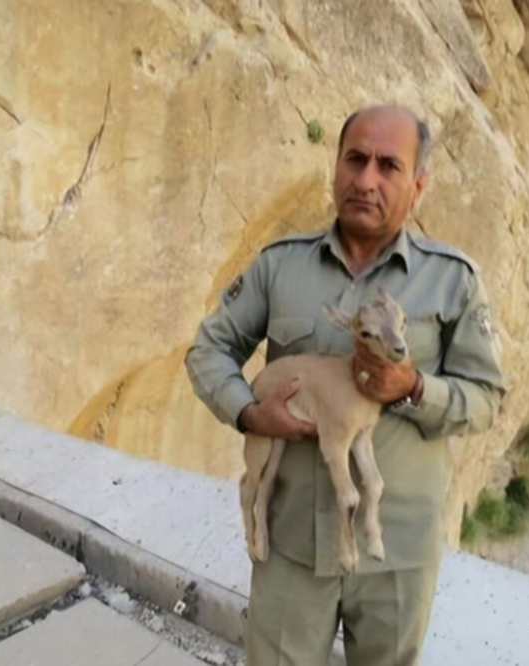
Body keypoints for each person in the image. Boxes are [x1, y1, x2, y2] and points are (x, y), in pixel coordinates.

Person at [185, 105, 505, 665]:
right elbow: (208, 350)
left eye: (389, 166)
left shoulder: (452, 280)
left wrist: (413, 387)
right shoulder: (280, 266)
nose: (366, 180)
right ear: (335, 167)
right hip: (291, 547)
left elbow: (484, 398)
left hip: (395, 554)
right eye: (355, 160)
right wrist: (249, 412)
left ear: (418, 186)